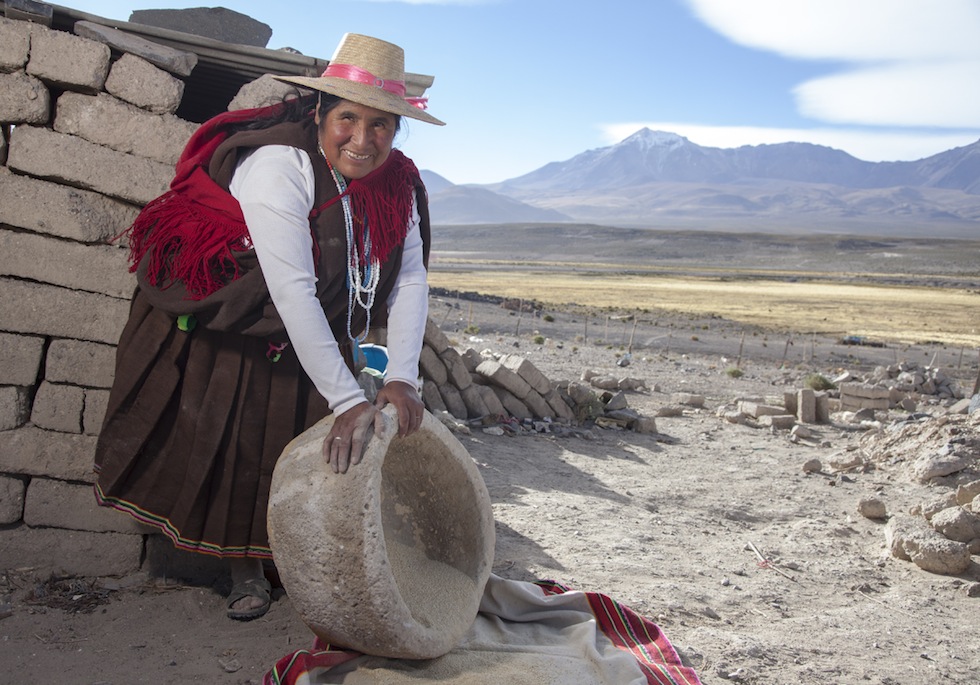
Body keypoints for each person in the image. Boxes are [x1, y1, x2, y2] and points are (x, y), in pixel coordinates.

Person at [93, 33, 444, 620]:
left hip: (310, 327)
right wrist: (347, 397)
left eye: (381, 124)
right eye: (348, 119)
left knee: (309, 441)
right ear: (320, 113)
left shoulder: (397, 182)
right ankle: (242, 570)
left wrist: (402, 377)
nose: (363, 139)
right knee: (241, 439)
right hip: (235, 323)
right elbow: (291, 289)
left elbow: (409, 277)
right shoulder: (278, 165)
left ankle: (296, 554)